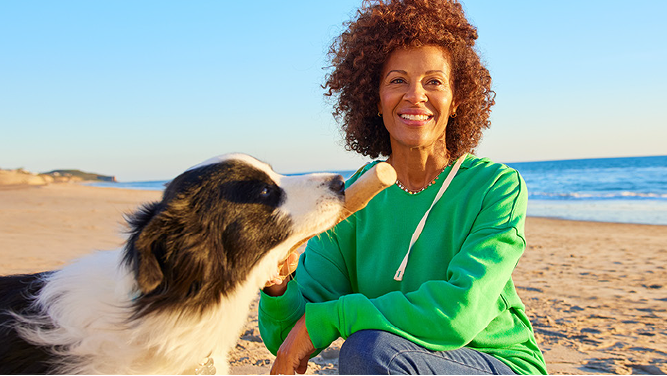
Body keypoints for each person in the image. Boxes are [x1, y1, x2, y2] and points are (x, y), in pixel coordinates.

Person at [259, 0, 547, 374]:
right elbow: (290, 336)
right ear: (374, 99)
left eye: (434, 82)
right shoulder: (350, 201)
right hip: (392, 361)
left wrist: (335, 318)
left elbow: (457, 313)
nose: (415, 95)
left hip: (498, 363)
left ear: (457, 100)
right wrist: (279, 285)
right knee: (371, 350)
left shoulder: (496, 187)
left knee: (368, 350)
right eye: (397, 80)